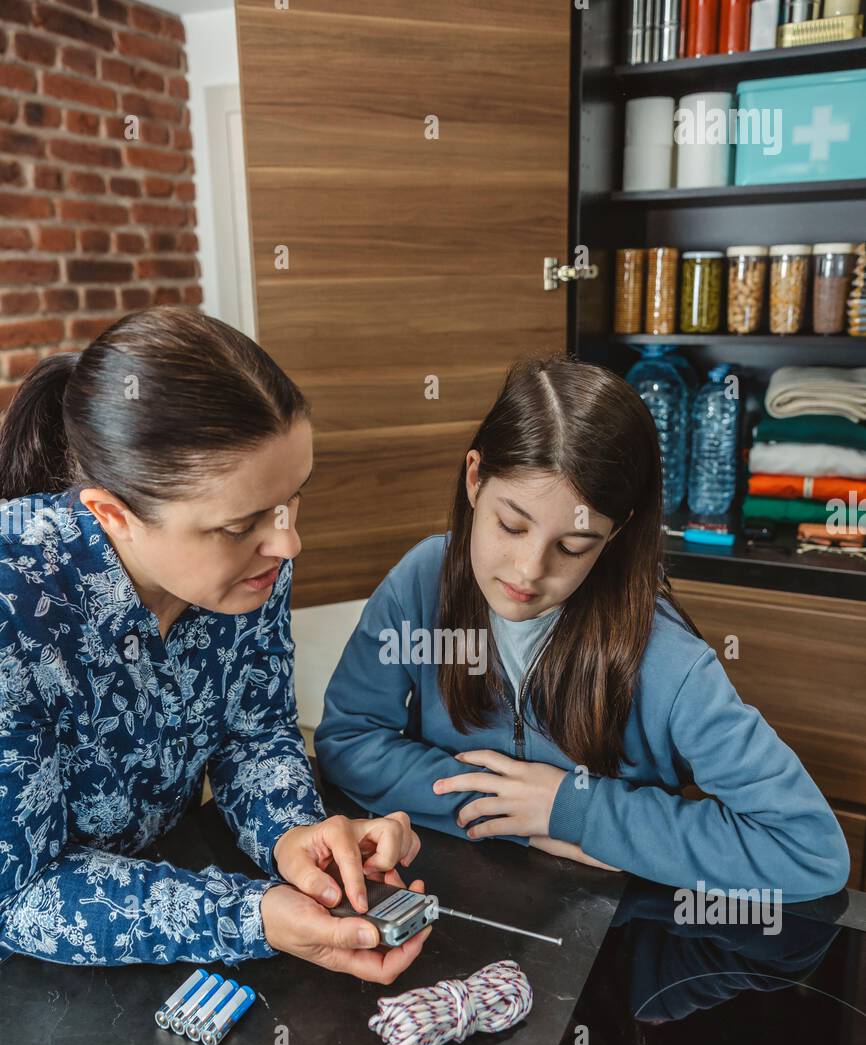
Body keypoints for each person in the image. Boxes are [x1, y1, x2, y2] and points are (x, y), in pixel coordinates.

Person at [315, 354, 849, 902]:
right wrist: (517, 816)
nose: (528, 571)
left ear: (616, 534)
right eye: (511, 524)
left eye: (572, 547)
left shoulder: (667, 660)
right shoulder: (422, 580)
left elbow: (808, 851)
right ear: (475, 478)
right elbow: (347, 739)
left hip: (612, 936)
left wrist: (572, 810)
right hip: (451, 897)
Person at [0, 307, 430, 978]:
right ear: (113, 515)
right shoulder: (12, 602)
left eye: (292, 500)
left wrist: (293, 834)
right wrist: (252, 915)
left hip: (155, 905)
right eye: (241, 524)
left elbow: (254, 732)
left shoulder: (256, 557)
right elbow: (19, 895)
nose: (288, 543)